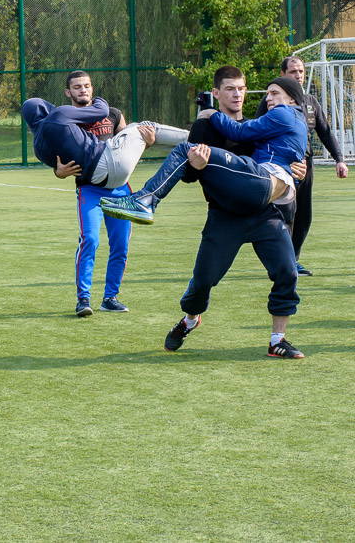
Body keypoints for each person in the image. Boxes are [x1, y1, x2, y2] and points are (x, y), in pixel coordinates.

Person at [101, 75, 309, 358]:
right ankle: (189, 320)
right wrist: (198, 164)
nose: (238, 95)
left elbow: (273, 149)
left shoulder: (262, 123)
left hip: (263, 212)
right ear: (216, 93)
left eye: (242, 89)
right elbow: (186, 172)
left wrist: (300, 168)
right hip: (224, 215)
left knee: (287, 270)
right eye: (230, 89)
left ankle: (277, 340)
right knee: (202, 282)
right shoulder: (204, 125)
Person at [254, 56, 349, 276]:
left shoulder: (310, 102)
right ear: (283, 75)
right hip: (280, 166)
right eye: (293, 72)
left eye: (301, 72)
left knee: (304, 214)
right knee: (283, 214)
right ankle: (282, 261)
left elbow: (324, 131)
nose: (298, 75)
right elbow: (256, 132)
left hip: (305, 166)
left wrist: (339, 159)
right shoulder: (270, 102)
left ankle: (293, 259)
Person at [50, 71, 132, 317]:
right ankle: (83, 299)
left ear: (92, 88)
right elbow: (53, 158)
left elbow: (128, 144)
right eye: (77, 87)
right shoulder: (64, 119)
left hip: (120, 189)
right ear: (68, 92)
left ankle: (110, 298)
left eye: (86, 86)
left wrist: (145, 140)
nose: (82, 90)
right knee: (90, 240)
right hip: (90, 189)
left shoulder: (114, 114)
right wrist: (59, 172)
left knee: (120, 245)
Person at [22, 96, 188, 192]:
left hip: (100, 182)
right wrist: (95, 98)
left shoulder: (38, 149)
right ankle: (193, 137)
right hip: (109, 161)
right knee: (144, 126)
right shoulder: (58, 115)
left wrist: (58, 173)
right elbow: (102, 111)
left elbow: (63, 164)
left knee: (131, 129)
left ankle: (187, 147)